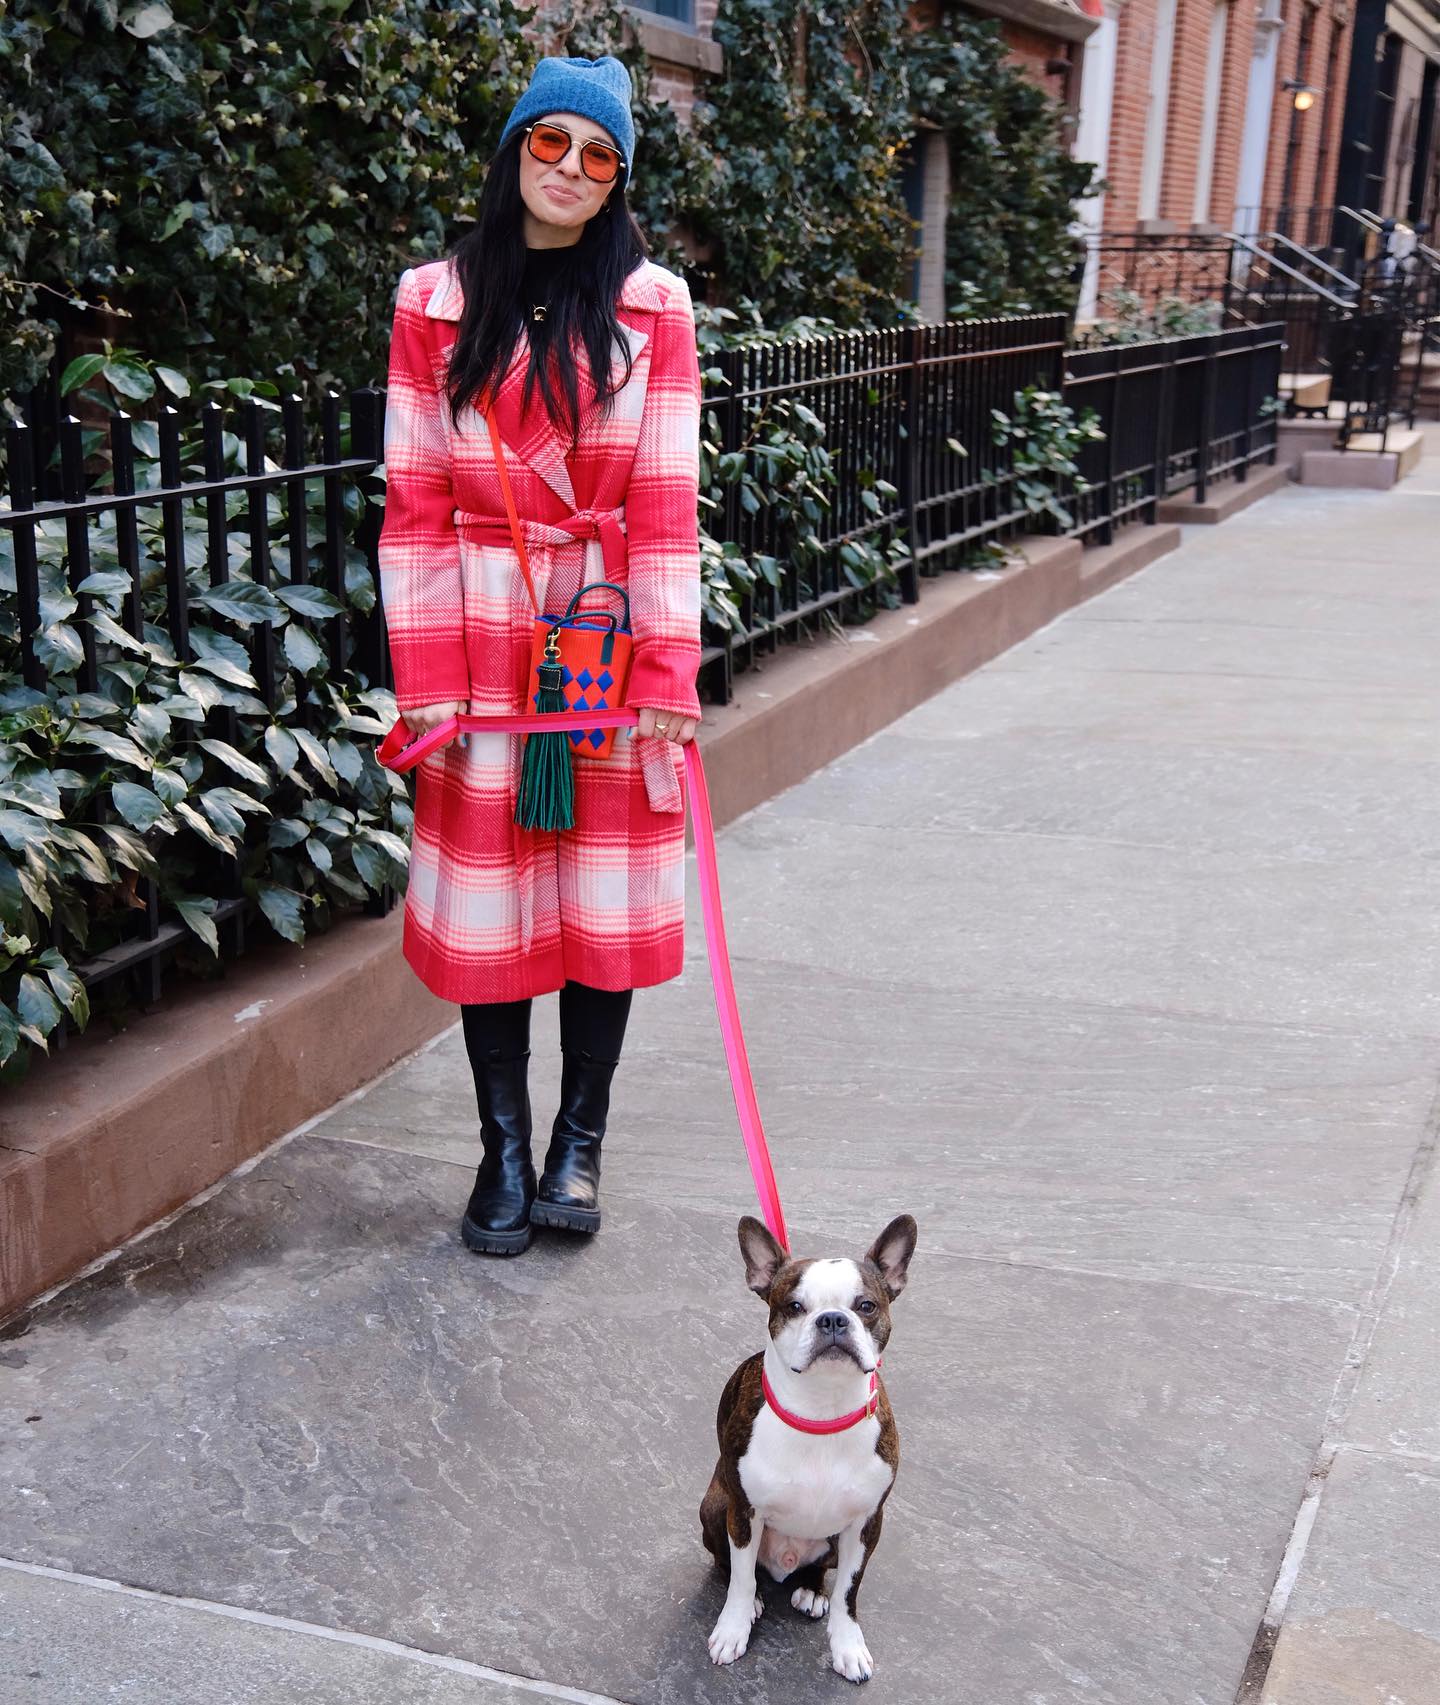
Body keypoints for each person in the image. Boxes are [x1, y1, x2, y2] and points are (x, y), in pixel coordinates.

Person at [376, 54, 704, 1259]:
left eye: (599, 155)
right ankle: (504, 1146)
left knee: (600, 895)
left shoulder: (655, 307)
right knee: (494, 898)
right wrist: (427, 687)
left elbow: (667, 498)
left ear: (620, 177)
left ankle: (580, 1140)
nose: (570, 171)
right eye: (550, 143)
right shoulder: (435, 299)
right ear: (515, 149)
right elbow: (414, 500)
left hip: (604, 627)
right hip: (478, 634)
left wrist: (667, 672)